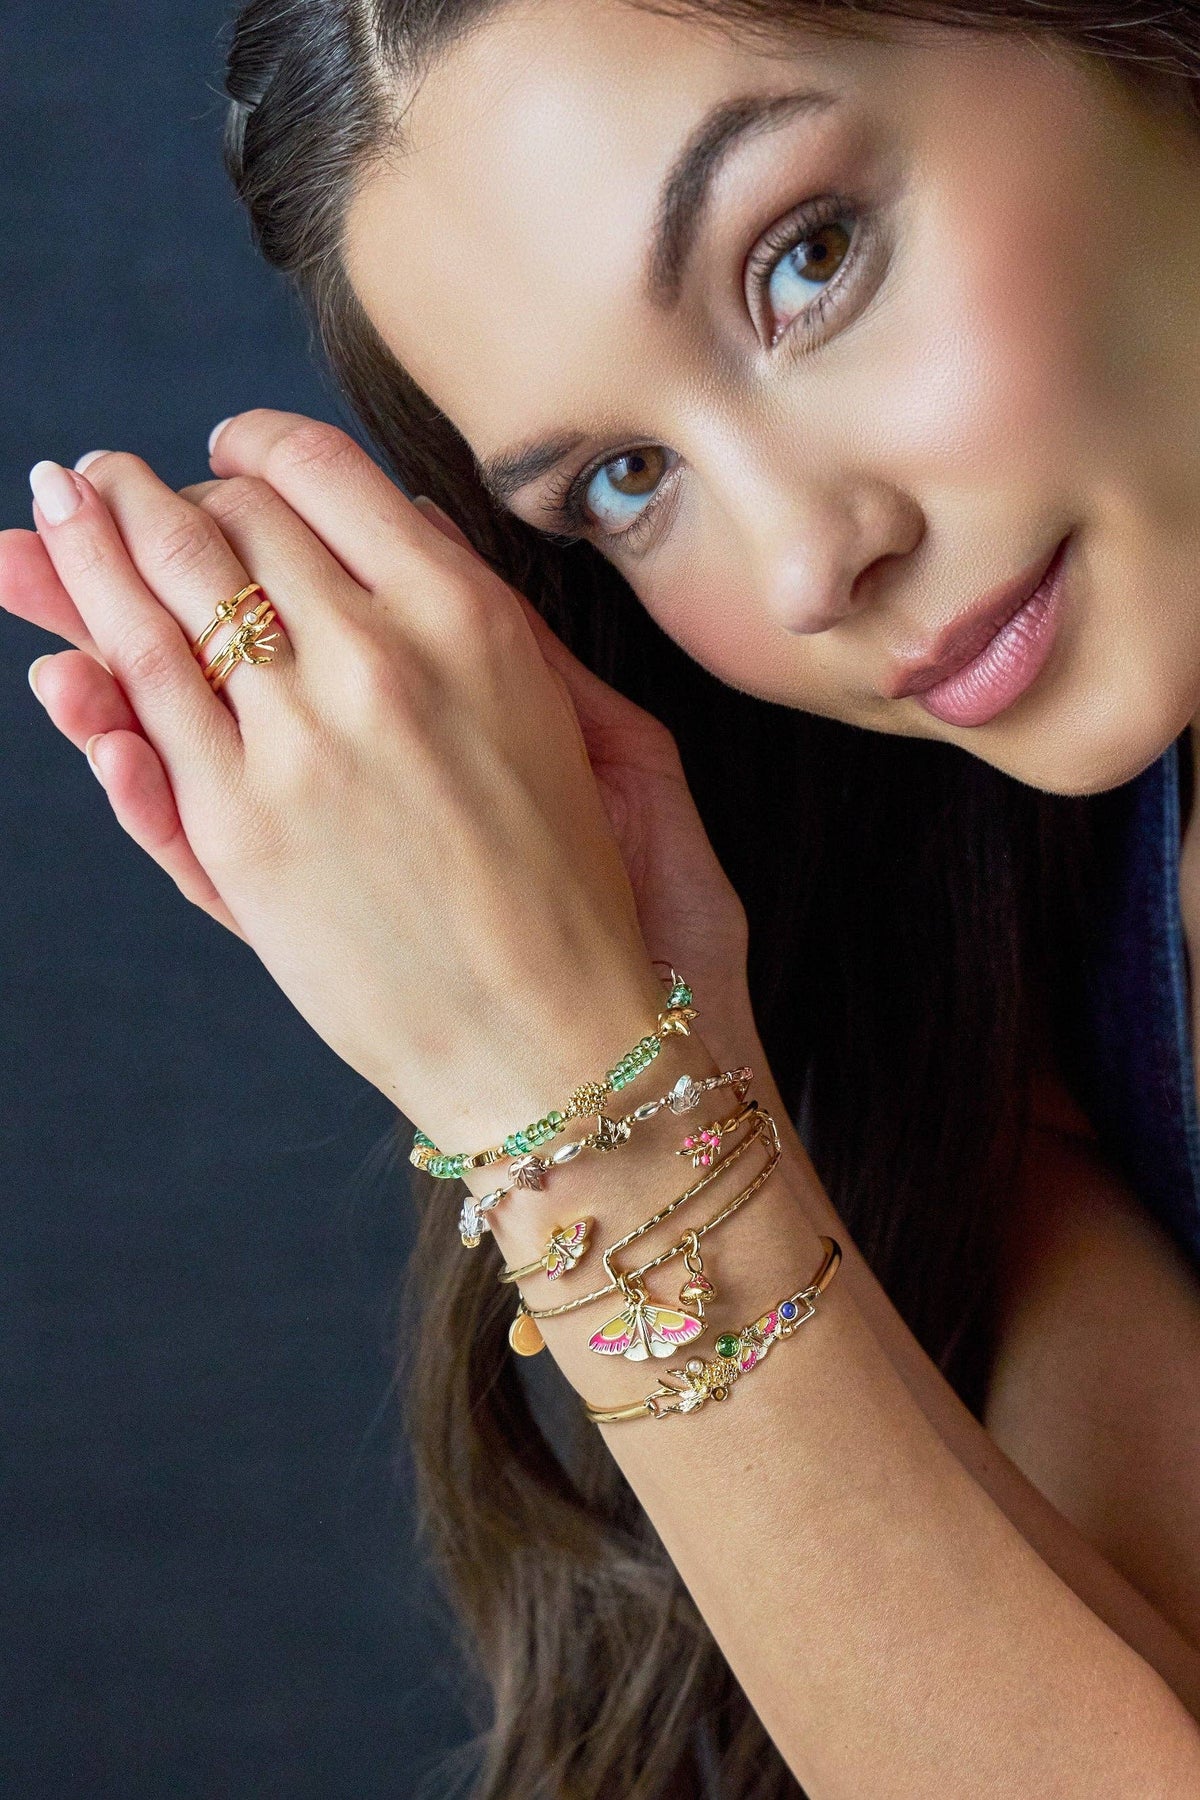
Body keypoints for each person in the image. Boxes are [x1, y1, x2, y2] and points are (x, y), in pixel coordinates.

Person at [4, 0, 1200, 1791]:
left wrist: (588, 1123)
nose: (808, 558)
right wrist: (617, 1054)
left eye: (806, 261)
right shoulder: (1032, 982)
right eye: (626, 482)